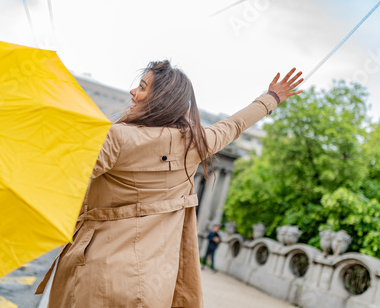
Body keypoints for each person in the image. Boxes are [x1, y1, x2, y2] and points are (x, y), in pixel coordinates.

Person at [35, 61, 303, 307]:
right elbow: (234, 125)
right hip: (152, 285)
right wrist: (272, 98)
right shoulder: (195, 144)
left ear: (160, 98)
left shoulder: (118, 137)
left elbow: (61, 177)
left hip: (97, 273)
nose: (133, 92)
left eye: (141, 87)